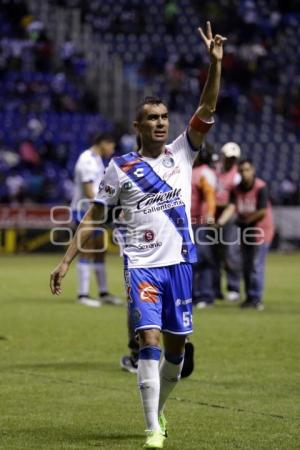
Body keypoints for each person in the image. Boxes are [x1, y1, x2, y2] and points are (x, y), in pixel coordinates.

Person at [50, 22, 226, 449]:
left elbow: (205, 106)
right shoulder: (120, 168)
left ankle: (159, 410)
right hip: (142, 267)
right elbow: (94, 215)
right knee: (148, 338)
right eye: (153, 118)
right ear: (138, 125)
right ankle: (151, 428)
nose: (161, 123)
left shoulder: (185, 150)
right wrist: (66, 259)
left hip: (180, 264)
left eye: (165, 117)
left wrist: (214, 65)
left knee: (177, 351)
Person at [70, 133, 122, 307]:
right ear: (103, 143)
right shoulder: (87, 160)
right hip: (84, 211)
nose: (112, 150)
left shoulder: (97, 159)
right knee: (87, 249)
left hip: (96, 211)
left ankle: (103, 292)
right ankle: (82, 295)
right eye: (112, 146)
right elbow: (88, 190)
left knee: (100, 250)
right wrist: (106, 210)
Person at [217, 158, 274, 311]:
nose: (244, 173)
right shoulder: (236, 189)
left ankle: (256, 298)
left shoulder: (261, 186)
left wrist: (246, 221)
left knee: (256, 265)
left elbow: (262, 212)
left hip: (261, 231)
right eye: (242, 170)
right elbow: (232, 206)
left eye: (247, 170)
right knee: (247, 266)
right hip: (245, 230)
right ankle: (249, 297)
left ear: (253, 170)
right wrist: (221, 222)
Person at [214, 142, 242, 301]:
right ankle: (215, 288)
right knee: (214, 255)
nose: (230, 160)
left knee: (231, 253)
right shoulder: (214, 170)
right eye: (228, 157)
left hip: (230, 218)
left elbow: (234, 201)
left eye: (233, 158)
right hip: (213, 217)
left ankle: (234, 287)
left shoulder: (237, 175)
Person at [191, 143, 217, 308]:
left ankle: (206, 295)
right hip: (186, 222)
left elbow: (210, 196)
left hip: (199, 222)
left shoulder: (204, 172)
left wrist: (210, 214)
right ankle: (192, 295)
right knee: (188, 260)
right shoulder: (187, 170)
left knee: (203, 259)